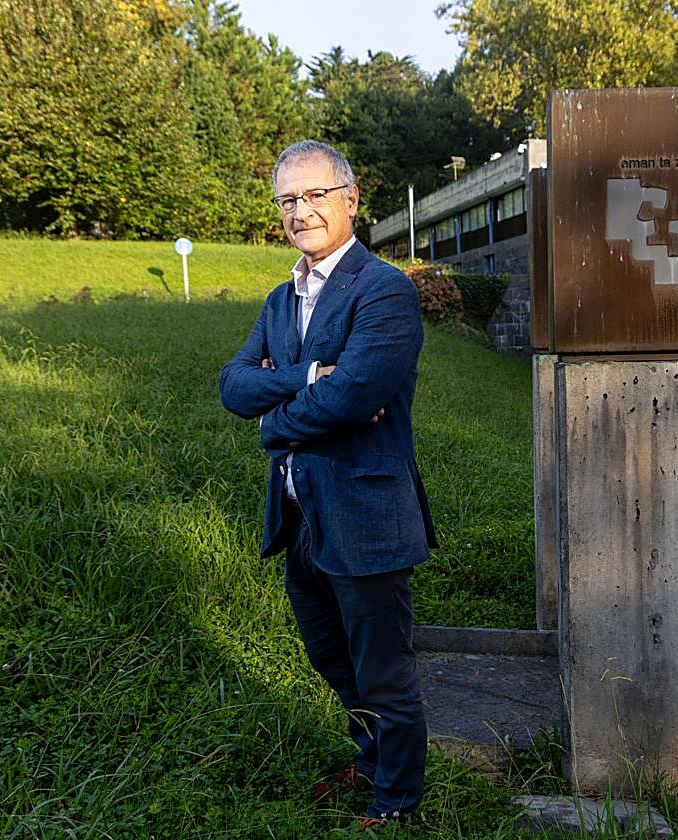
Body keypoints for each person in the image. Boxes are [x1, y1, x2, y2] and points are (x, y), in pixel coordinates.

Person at [218, 140, 436, 828]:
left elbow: (360, 393)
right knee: (330, 656)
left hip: (365, 512)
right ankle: (371, 760)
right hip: (299, 513)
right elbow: (232, 384)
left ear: (350, 198)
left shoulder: (385, 290)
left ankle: (397, 801)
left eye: (315, 195)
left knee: (384, 672)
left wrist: (274, 423)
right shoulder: (282, 300)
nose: (301, 211)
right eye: (288, 199)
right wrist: (310, 378)